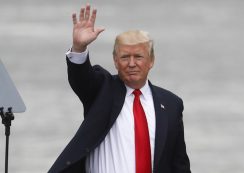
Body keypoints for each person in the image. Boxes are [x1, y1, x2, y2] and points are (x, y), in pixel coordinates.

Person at [49, 4, 191, 173]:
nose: (132, 63)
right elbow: (82, 79)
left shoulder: (171, 104)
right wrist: (79, 48)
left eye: (138, 56)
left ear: (151, 61)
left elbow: (179, 164)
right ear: (115, 61)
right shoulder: (102, 90)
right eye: (125, 57)